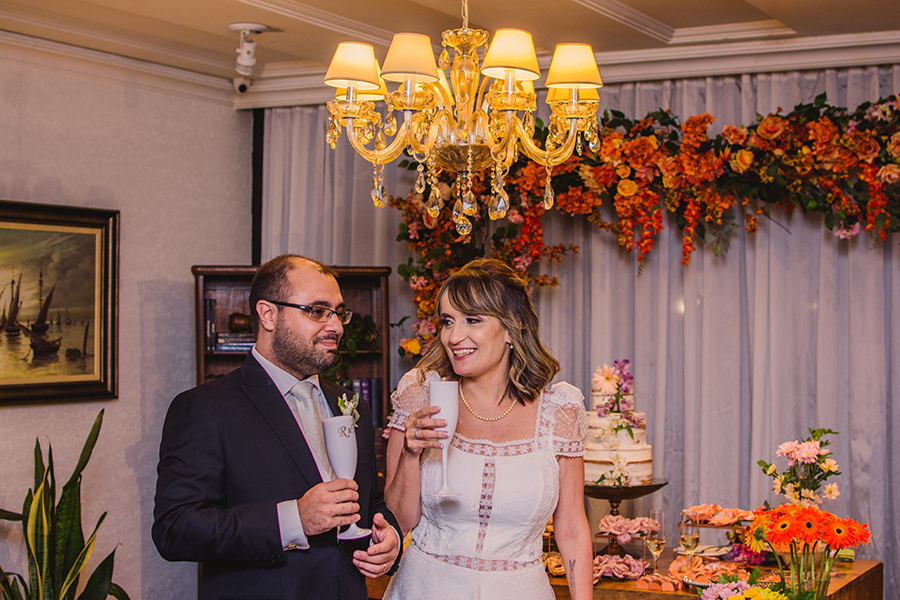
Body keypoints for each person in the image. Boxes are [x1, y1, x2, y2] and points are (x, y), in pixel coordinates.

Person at [152, 255, 401, 600]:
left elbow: (369, 502)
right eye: (317, 311)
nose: (336, 327)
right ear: (268, 314)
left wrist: (389, 538)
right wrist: (294, 519)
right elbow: (175, 529)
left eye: (338, 312)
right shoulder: (205, 407)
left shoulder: (351, 402)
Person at [382, 258, 593, 600]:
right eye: (447, 321)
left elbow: (571, 527)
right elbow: (399, 519)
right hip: (425, 589)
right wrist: (409, 452)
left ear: (512, 327)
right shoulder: (419, 395)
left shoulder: (559, 411)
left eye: (473, 320)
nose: (454, 336)